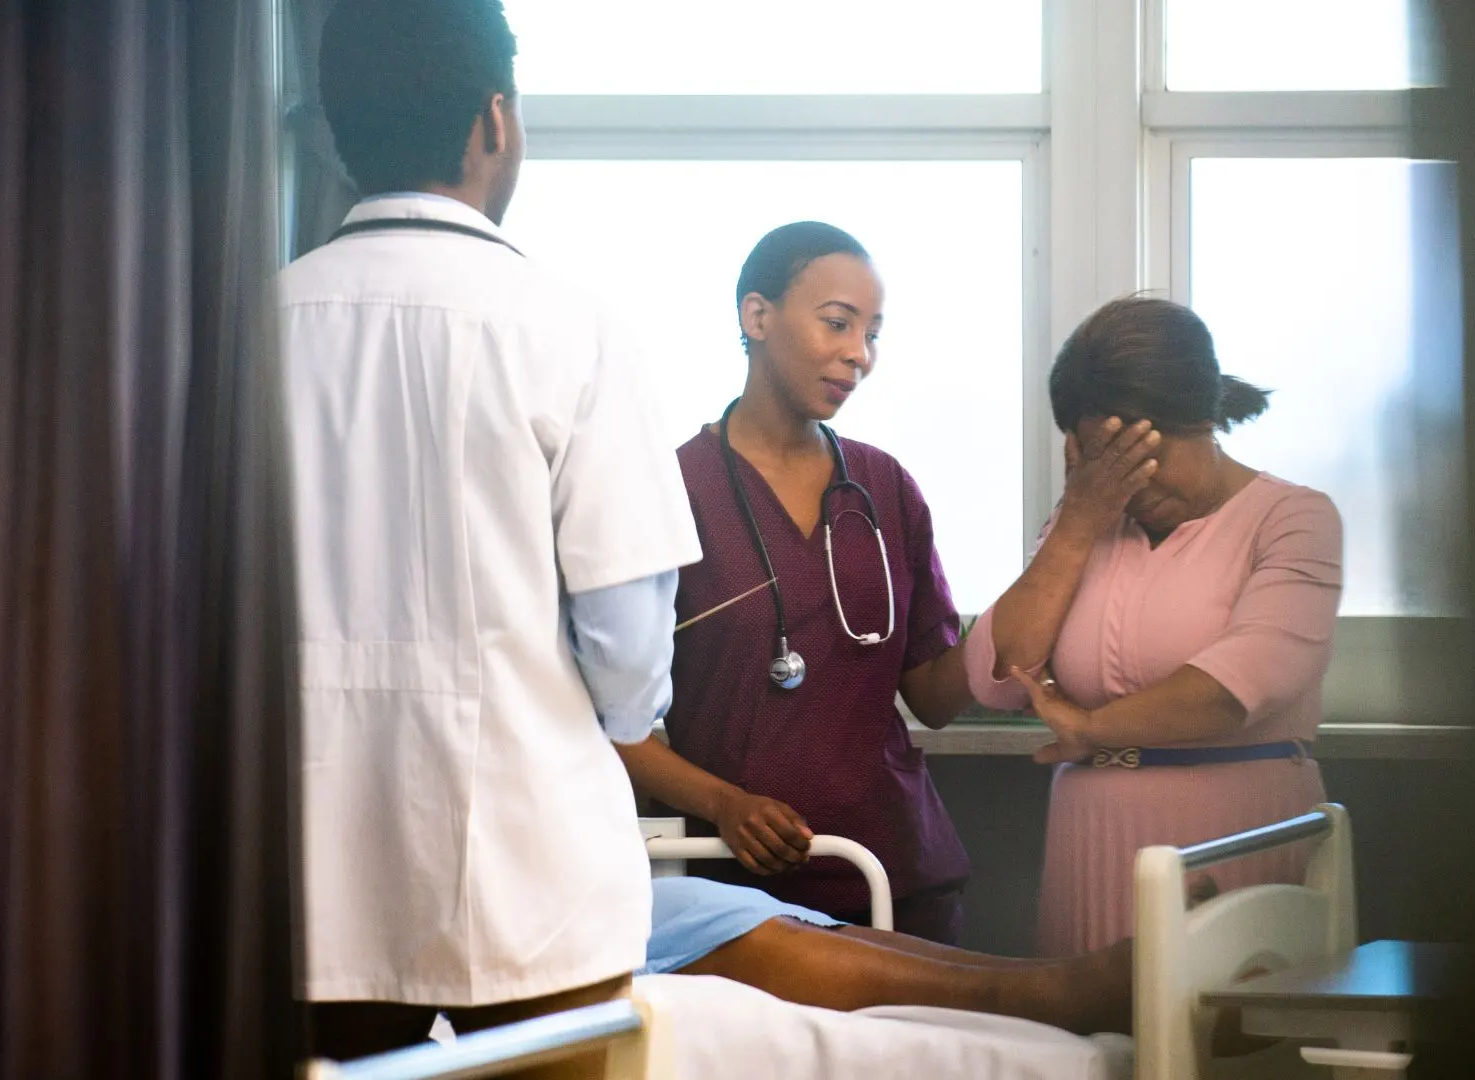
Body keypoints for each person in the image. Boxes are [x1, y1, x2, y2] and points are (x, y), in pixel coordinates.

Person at [282, 1, 701, 1074]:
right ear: (494, 121)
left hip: (306, 869)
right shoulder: (569, 327)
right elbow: (626, 635)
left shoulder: (253, 327)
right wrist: (619, 715)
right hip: (534, 868)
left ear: (337, 131)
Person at [619, 221, 977, 944]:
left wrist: (1031, 611)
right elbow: (611, 723)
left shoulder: (883, 488)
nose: (860, 354)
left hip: (898, 874)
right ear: (757, 316)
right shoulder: (666, 492)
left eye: (873, 334)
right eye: (839, 324)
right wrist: (725, 804)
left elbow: (936, 697)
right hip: (740, 898)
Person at [965, 295, 1345, 956]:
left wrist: (1089, 727)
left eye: (1144, 454)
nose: (1130, 485)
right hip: (1088, 847)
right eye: (1106, 460)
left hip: (1239, 837)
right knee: (1087, 1049)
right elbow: (998, 678)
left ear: (1200, 419)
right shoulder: (1087, 521)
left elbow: (1239, 685)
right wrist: (1079, 519)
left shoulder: (1295, 518)